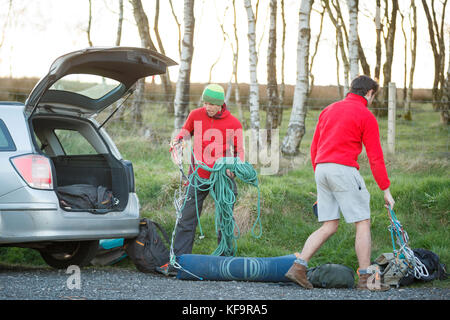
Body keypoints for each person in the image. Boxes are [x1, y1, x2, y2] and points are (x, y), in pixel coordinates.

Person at [285, 75, 395, 291]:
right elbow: (375, 157)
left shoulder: (328, 110)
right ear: (369, 93)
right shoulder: (366, 115)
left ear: (352, 89)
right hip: (343, 169)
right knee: (362, 222)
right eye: (374, 96)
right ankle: (366, 280)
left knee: (329, 225)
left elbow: (314, 148)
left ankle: (298, 267)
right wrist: (386, 189)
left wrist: (323, 179)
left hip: (322, 169)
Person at [159, 84, 244, 275]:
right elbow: (185, 131)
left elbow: (240, 152)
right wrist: (178, 139)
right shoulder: (196, 115)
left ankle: (225, 262)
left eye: (212, 104)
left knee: (225, 220)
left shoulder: (234, 123)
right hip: (197, 176)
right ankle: (178, 262)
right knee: (186, 218)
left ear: (221, 104)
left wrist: (235, 168)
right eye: (205, 103)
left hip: (222, 177)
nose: (208, 107)